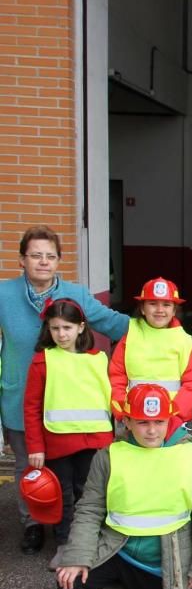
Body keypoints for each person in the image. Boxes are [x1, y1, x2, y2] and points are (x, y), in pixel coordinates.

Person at [50, 384, 192, 589]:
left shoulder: (191, 455)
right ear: (126, 421)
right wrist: (77, 557)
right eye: (142, 422)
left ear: (170, 420)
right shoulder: (108, 456)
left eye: (159, 422)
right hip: (117, 549)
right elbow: (89, 509)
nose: (151, 430)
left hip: (161, 560)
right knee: (68, 576)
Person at [0, 226, 128, 555]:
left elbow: (112, 322)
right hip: (21, 395)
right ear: (22, 260)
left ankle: (72, 527)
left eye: (50, 256)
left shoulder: (77, 294)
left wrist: (153, 325)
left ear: (59, 260)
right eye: (35, 255)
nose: (43, 261)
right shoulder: (4, 294)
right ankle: (32, 523)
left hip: (69, 403)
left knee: (73, 474)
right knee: (27, 465)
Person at [24, 299, 114, 571]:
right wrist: (35, 447)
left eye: (67, 327)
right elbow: (31, 407)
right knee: (61, 495)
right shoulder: (43, 360)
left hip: (95, 441)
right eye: (55, 328)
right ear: (48, 330)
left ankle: (88, 543)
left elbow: (110, 399)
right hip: (58, 441)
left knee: (90, 494)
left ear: (81, 327)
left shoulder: (98, 359)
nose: (61, 334)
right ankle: (64, 544)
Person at [108, 277, 192, 422]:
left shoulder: (184, 340)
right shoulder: (130, 336)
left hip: (172, 420)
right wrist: (122, 412)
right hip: (134, 419)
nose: (159, 310)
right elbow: (117, 377)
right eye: (153, 304)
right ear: (142, 309)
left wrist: (176, 412)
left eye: (166, 305)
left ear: (174, 310)